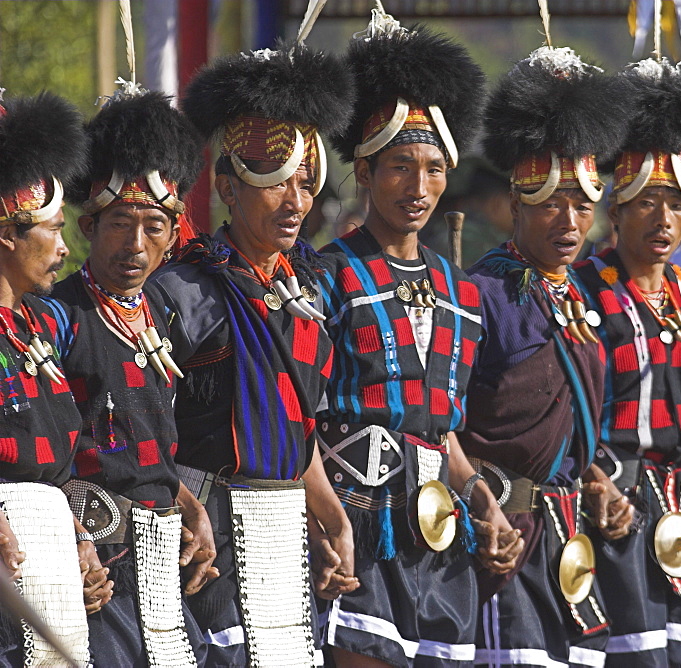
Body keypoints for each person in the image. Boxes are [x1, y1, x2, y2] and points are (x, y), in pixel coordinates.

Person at [150, 42, 357, 665]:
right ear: (228, 188)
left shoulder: (308, 293)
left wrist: (331, 515)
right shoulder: (183, 290)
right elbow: (142, 428)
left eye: (304, 183)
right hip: (201, 536)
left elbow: (300, 428)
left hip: (283, 537)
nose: (295, 202)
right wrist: (182, 509)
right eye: (274, 184)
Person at [314, 9, 508, 665]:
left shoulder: (464, 294)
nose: (418, 186)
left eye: (432, 168)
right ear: (364, 172)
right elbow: (298, 417)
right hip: (358, 528)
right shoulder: (327, 277)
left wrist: (485, 503)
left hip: (440, 535)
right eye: (399, 166)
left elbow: (442, 431)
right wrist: (327, 522)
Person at [458, 41, 631, 667]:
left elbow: (592, 423)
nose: (567, 219)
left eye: (583, 205)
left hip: (570, 540)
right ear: (517, 201)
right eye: (551, 202)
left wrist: (601, 479)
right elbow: (449, 424)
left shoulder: (585, 298)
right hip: (502, 532)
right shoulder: (481, 294)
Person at [572, 58, 681, 667]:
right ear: (615, 208)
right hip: (612, 501)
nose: (662, 220)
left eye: (676, 203)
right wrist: (594, 483)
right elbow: (571, 407)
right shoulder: (586, 288)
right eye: (644, 202)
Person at [48, 86, 213, 666]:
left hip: (162, 571)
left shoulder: (162, 316)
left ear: (173, 235)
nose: (135, 245)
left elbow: (148, 446)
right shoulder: (56, 318)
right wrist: (74, 538)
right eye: (120, 222)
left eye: (153, 226)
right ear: (89, 225)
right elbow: (45, 454)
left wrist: (185, 501)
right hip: (95, 572)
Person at [0, 91, 98, 666]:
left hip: (50, 567)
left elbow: (57, 464)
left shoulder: (37, 327)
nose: (64, 248)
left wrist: (78, 539)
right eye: (52, 230)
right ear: (8, 234)